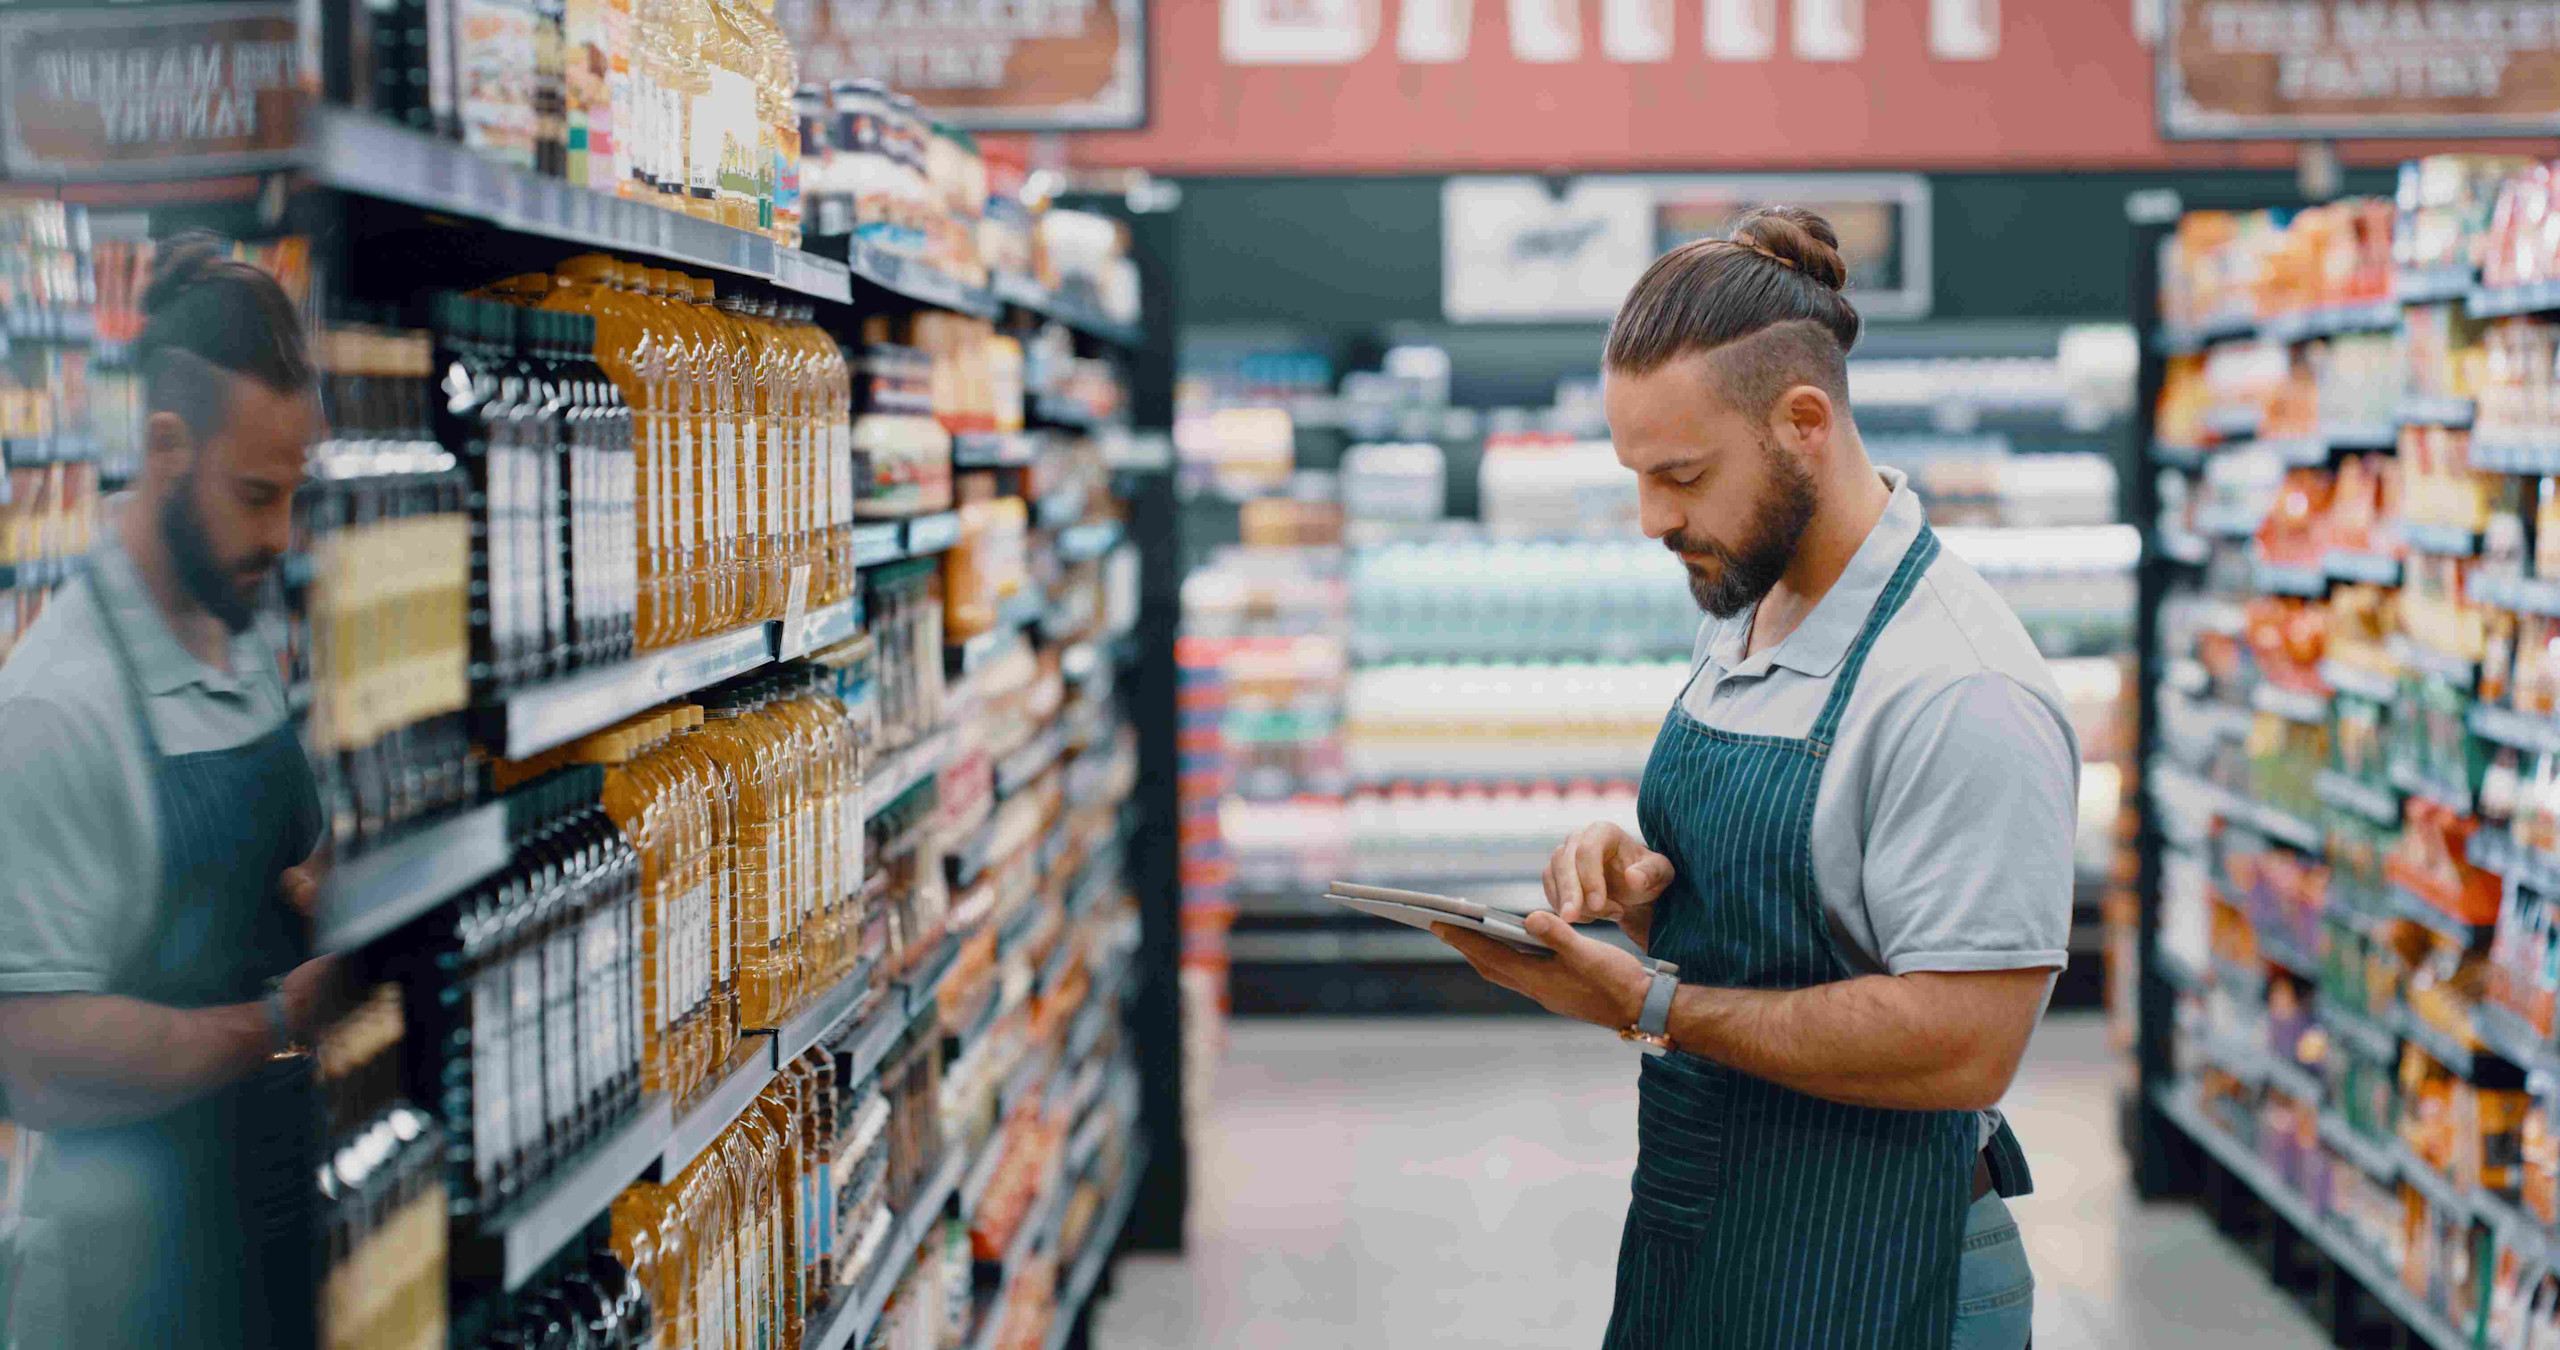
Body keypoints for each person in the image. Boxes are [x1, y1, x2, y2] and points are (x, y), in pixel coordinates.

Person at [1432, 207, 2075, 1350]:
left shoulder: (1957, 685)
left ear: (1802, 423)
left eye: (1680, 475)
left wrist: (1649, 1002)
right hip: (1713, 1228)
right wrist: (1641, 884)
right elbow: (1805, 888)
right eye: (1635, 475)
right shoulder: (1749, 602)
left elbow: (1967, 1040)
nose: (1651, 519)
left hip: (1886, 1270)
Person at [0, 232, 338, 1349]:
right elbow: (35, 1056)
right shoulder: (55, 706)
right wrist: (281, 1020)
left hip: (263, 1250)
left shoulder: (237, 636)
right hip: (125, 1296)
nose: (279, 538)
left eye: (293, 496)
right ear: (163, 446)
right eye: (254, 496)